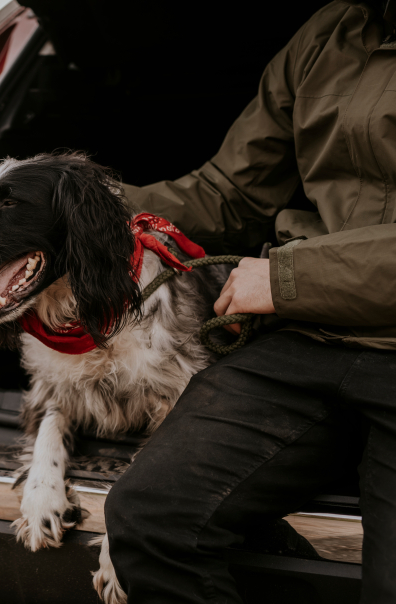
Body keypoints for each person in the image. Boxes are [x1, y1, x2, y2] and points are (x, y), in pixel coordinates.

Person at [105, 1, 396, 602]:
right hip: (309, 338)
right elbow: (232, 192)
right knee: (151, 519)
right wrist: (87, 211)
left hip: (322, 308)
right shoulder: (333, 30)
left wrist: (289, 278)